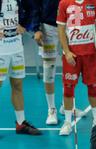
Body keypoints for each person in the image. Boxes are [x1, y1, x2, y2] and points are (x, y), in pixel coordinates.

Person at [32, 0, 84, 125]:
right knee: (49, 68)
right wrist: (36, 28)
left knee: (72, 66)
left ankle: (66, 105)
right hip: (48, 27)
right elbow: (34, 5)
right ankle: (51, 109)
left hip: (70, 26)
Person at [56, 0, 96, 136]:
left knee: (93, 86)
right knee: (68, 87)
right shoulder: (64, 3)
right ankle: (67, 122)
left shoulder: (94, 2)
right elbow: (60, 29)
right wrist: (66, 51)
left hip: (89, 54)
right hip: (72, 55)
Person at [0, 0, 42, 135]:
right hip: (1, 49)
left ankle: (20, 123)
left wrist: (25, 25)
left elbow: (32, 9)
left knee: (17, 84)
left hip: (16, 46)